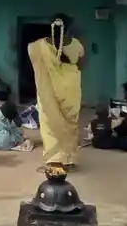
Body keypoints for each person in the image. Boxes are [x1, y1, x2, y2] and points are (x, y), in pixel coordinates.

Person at [27, 14, 85, 170]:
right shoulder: (77, 45)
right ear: (69, 28)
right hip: (71, 90)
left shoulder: (37, 46)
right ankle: (70, 159)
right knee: (70, 124)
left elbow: (31, 54)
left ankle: (55, 161)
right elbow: (81, 65)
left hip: (49, 90)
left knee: (50, 123)